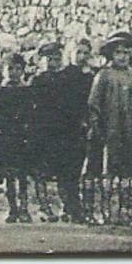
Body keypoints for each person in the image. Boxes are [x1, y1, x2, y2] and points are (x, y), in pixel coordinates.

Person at [88, 30, 132, 224]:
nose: (122, 56)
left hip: (128, 130)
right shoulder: (103, 76)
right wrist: (97, 126)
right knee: (108, 170)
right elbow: (94, 104)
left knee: (126, 171)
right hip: (108, 130)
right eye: (118, 52)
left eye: (126, 53)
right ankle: (106, 210)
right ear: (111, 55)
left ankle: (124, 209)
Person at [29, 38, 91, 222]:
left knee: (69, 171)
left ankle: (72, 207)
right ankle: (45, 207)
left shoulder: (71, 76)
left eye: (56, 59)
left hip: (68, 130)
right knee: (44, 171)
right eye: (49, 59)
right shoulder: (38, 80)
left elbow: (79, 101)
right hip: (46, 131)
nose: (53, 63)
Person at [0, 52, 34, 223]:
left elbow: (31, 113)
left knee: (23, 174)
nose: (14, 72)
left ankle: (24, 207)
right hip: (6, 136)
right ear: (3, 70)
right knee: (8, 174)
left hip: (22, 135)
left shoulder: (26, 90)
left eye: (18, 69)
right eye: (10, 68)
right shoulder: (1, 91)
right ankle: (12, 207)